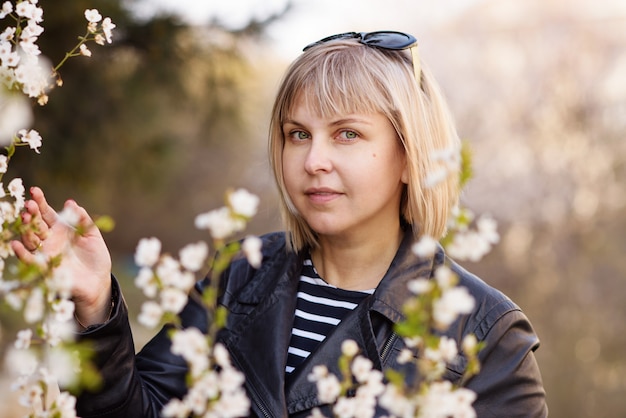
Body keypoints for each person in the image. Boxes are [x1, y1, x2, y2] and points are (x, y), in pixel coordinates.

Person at [12, 31, 548, 417]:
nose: (314, 159)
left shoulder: (486, 335)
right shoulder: (238, 277)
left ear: (409, 156)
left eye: (346, 134)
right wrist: (96, 302)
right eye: (297, 133)